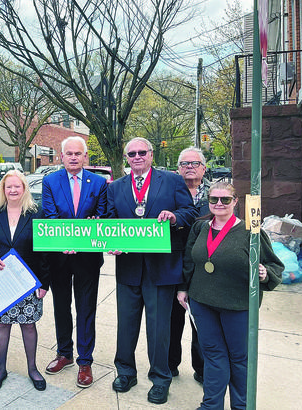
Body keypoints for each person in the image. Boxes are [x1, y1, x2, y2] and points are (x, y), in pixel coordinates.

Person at [106, 137, 198, 405]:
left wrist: (174, 217)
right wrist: (112, 243)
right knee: (126, 325)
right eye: (131, 153)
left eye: (141, 152)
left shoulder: (171, 181)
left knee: (159, 329)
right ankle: (125, 372)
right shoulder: (116, 187)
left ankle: (160, 378)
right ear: (126, 157)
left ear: (151, 154)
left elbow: (190, 212)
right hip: (128, 267)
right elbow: (110, 221)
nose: (136, 157)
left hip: (162, 267)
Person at [177, 182, 283, 410]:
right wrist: (183, 288)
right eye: (214, 199)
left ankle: (241, 406)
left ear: (235, 202)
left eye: (225, 199)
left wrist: (265, 274)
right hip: (203, 302)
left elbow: (274, 265)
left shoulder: (251, 233)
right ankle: (211, 405)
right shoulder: (200, 227)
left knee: (238, 360)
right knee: (213, 356)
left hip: (238, 305)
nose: (219, 204)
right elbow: (189, 260)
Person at [41, 136, 107, 388]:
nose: (73, 157)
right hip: (59, 256)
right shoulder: (50, 181)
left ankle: (85, 361)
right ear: (61, 156)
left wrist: (94, 224)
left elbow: (101, 215)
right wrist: (65, 240)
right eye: (68, 153)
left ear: (85, 156)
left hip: (88, 258)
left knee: (86, 308)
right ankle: (64, 353)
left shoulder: (99, 183)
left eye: (77, 154)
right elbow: (50, 215)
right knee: (61, 306)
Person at [0, 170, 49, 391]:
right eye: (8, 186)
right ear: (3, 189)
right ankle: (1, 369)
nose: (12, 190)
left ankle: (32, 368)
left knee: (29, 325)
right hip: (2, 282)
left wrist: (45, 283)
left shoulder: (36, 213)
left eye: (17, 186)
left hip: (29, 282)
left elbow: (45, 251)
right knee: (2, 325)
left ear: (24, 188)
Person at [169, 147, 209, 383]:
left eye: (195, 163)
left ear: (204, 168)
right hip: (172, 266)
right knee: (172, 320)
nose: (190, 167)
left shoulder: (215, 196)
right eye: (184, 164)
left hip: (204, 270)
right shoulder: (168, 193)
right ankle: (170, 364)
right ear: (177, 169)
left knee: (201, 323)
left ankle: (202, 369)